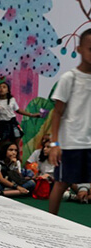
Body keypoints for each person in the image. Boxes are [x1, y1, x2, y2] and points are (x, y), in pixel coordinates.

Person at [48, 28, 91, 215]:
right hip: (71, 144)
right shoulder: (69, 78)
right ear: (79, 49)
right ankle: (51, 221)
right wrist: (55, 144)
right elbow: (57, 113)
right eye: (90, 48)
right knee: (61, 183)